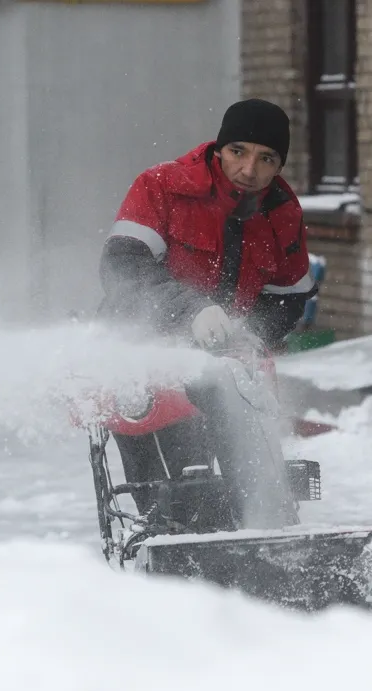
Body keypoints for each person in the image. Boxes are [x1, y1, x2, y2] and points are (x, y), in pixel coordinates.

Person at [96, 98, 316, 517]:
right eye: (238, 152)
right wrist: (190, 311)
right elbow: (123, 266)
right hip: (144, 359)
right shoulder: (162, 187)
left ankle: (264, 546)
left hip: (224, 364)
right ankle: (175, 555)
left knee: (255, 486)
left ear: (279, 165)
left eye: (265, 158)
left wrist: (253, 330)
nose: (249, 170)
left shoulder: (282, 213)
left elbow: (287, 299)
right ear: (219, 149)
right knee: (174, 500)